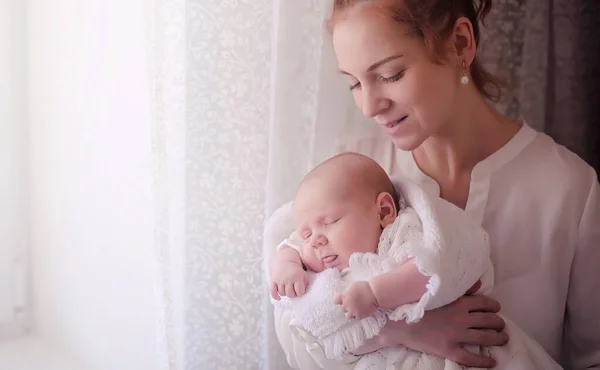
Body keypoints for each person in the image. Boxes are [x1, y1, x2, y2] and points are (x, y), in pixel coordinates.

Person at [268, 0, 600, 369]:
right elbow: (297, 330)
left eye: (390, 75)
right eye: (354, 84)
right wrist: (402, 330)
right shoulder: (347, 174)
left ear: (460, 44)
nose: (369, 106)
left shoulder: (570, 189)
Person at [267, 152, 561, 369]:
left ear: (383, 211)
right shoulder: (323, 271)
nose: (314, 240)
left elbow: (428, 267)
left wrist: (375, 294)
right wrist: (288, 265)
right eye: (307, 234)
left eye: (329, 222)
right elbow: (302, 325)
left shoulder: (402, 231)